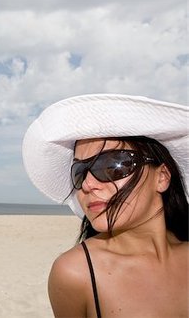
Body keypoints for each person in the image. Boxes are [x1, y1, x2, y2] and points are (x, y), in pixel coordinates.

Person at [22, 94, 188, 317]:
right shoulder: (76, 274)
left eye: (113, 165)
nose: (88, 185)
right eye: (79, 172)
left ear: (162, 177)